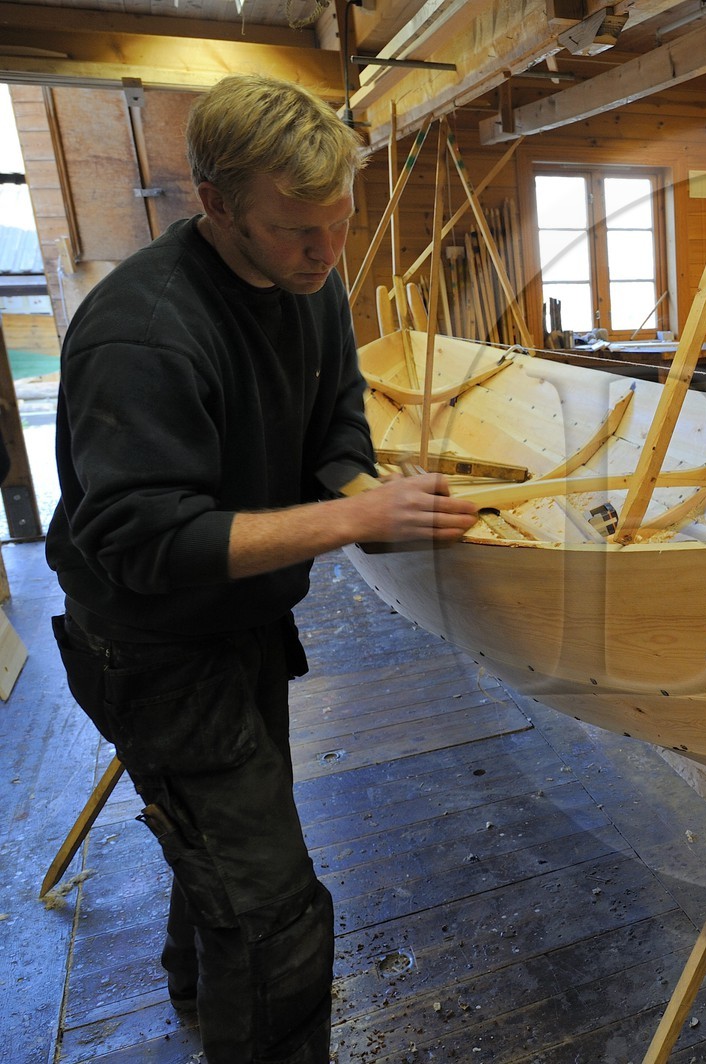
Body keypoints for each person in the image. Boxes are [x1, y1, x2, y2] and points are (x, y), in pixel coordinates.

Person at [46, 74, 480, 1063]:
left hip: (239, 619)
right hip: (151, 641)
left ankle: (197, 992)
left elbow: (333, 420)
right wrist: (347, 519)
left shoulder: (310, 277)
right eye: (298, 230)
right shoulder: (142, 331)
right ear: (216, 205)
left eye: (340, 222)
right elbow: (144, 538)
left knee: (226, 855)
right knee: (276, 909)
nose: (328, 254)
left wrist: (364, 487)